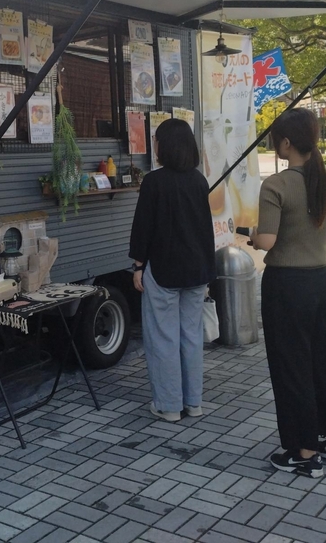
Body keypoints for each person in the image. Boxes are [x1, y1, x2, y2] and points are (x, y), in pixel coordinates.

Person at [250, 108, 326, 479]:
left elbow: (266, 241)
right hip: (320, 282)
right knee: (322, 363)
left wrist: (249, 232)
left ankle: (303, 452)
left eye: (276, 139)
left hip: (286, 286)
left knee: (291, 367)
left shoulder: (276, 185)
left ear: (287, 142)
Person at [129, 118, 214, 423]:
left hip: (163, 270)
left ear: (164, 145)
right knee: (191, 337)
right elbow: (207, 232)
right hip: (196, 271)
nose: (154, 144)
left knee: (163, 337)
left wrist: (138, 265)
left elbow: (143, 229)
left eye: (156, 140)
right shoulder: (199, 181)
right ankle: (193, 402)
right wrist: (209, 274)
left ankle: (168, 405)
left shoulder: (154, 182)